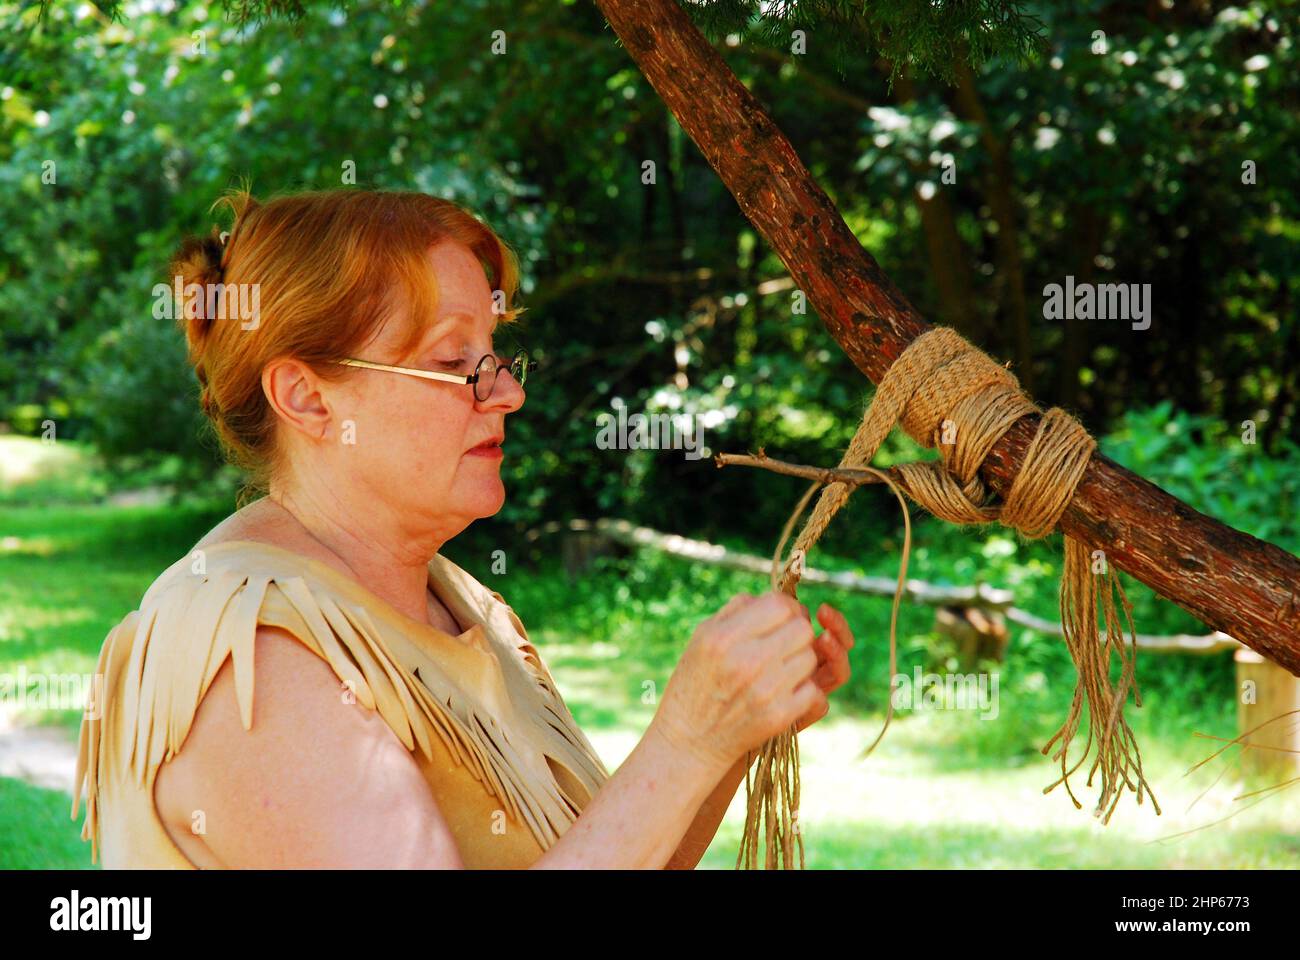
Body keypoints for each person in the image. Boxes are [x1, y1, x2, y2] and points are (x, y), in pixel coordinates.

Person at [72, 187, 855, 869]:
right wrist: (685, 742)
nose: (507, 392)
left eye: (496, 351)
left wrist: (731, 733)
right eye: (453, 362)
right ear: (307, 399)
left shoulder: (467, 606)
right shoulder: (247, 652)